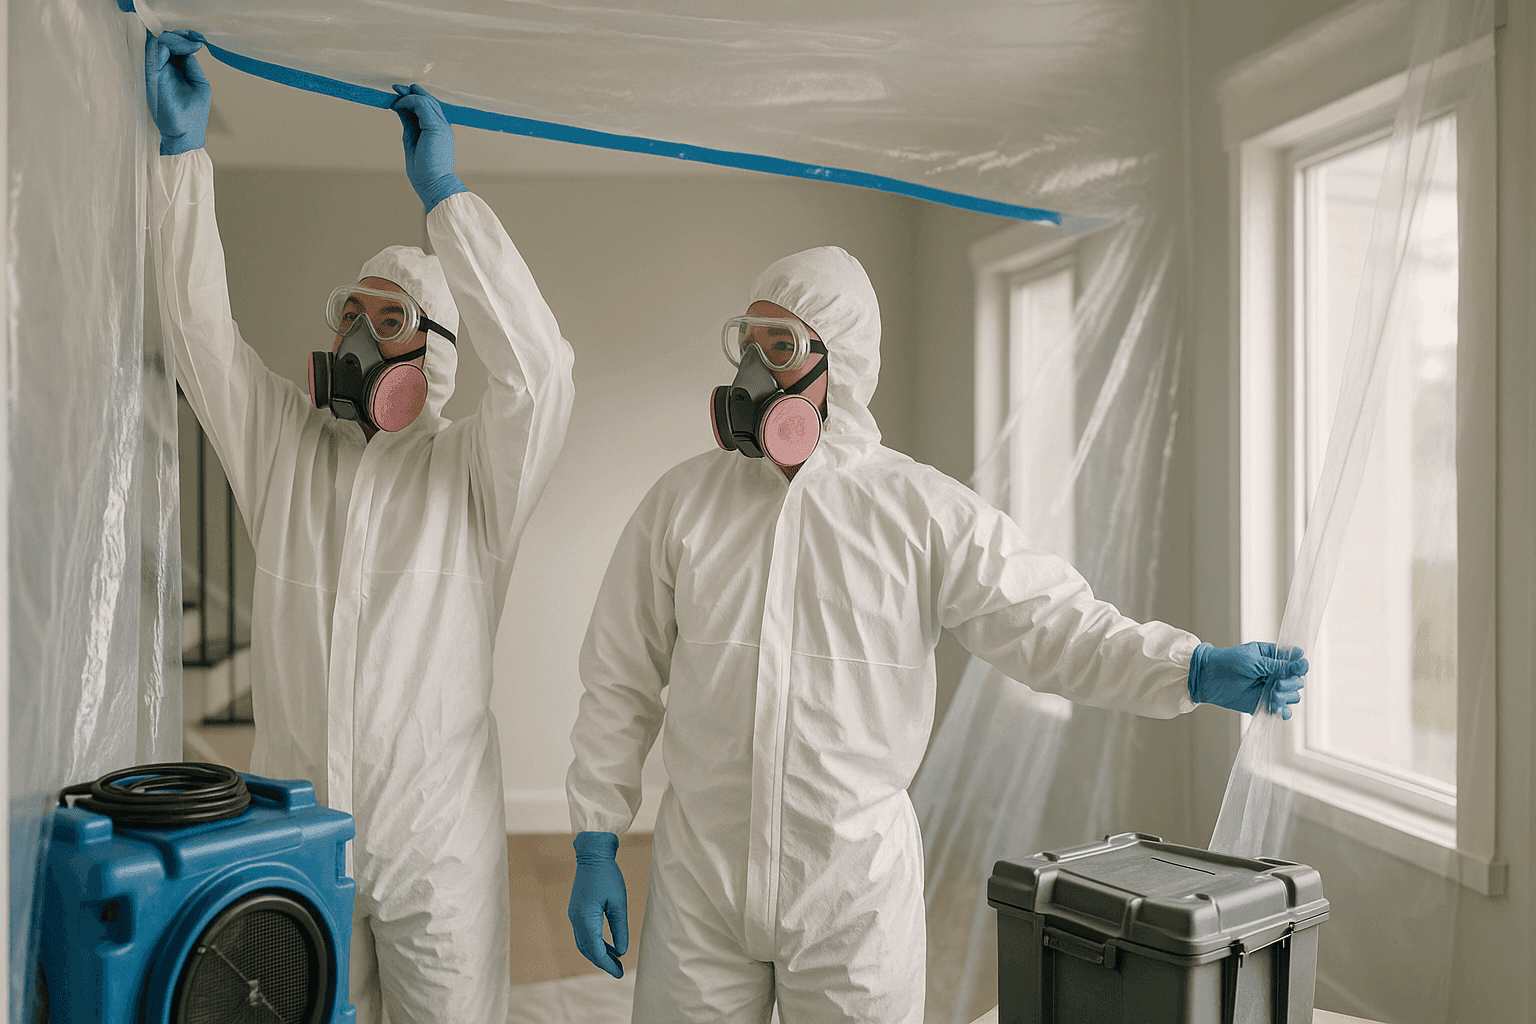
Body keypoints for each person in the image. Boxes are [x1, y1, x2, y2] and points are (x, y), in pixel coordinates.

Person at [564, 246, 1304, 1023]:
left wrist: (1189, 667)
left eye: (780, 347)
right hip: (700, 883)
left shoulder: (919, 512)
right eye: (748, 344)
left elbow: (1050, 624)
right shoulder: (681, 506)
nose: (755, 370)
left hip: (849, 893)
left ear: (839, 364)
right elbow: (619, 679)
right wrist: (594, 841)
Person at [144, 31, 576, 1024]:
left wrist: (446, 198)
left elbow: (542, 374)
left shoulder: (474, 474)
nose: (355, 338)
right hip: (299, 835)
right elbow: (198, 331)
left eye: (388, 323)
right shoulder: (285, 449)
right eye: (351, 315)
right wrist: (182, 158)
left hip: (437, 849)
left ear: (439, 355)